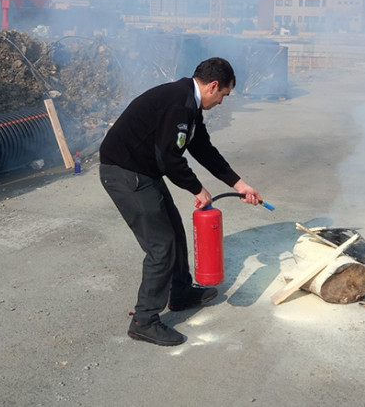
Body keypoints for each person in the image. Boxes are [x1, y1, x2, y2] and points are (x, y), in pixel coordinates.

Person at [99, 57, 262, 346]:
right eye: (224, 95)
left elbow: (201, 148)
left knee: (174, 231)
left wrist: (239, 184)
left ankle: (181, 292)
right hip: (125, 173)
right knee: (161, 246)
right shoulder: (180, 103)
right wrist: (198, 189)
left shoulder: (188, 101)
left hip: (142, 170)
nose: (222, 102)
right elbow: (170, 158)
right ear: (213, 86)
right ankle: (144, 321)